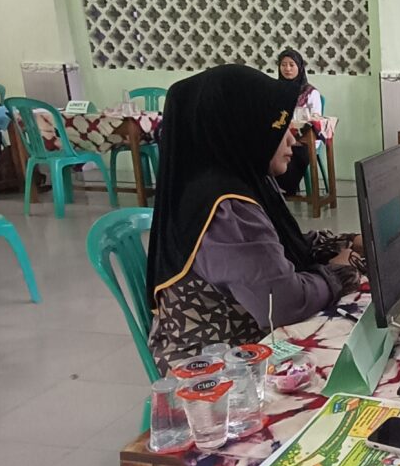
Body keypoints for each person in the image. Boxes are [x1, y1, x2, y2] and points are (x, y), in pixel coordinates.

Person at [146, 65, 363, 375]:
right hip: (217, 373)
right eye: (279, 126)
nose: (293, 138)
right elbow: (284, 304)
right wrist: (339, 272)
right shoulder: (224, 208)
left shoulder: (241, 179)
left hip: (250, 342)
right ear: (241, 127)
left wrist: (350, 242)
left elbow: (280, 247)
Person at [274, 48, 322, 195]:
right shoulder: (275, 90)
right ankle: (269, 189)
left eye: (291, 65)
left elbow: (316, 120)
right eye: (283, 65)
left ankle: (285, 189)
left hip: (305, 140)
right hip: (280, 137)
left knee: (295, 152)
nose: (287, 69)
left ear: (299, 67)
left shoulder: (311, 93)